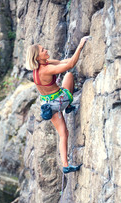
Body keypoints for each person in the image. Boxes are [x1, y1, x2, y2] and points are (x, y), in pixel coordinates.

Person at [26, 36, 88, 174]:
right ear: (37, 57)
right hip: (60, 101)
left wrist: (74, 57)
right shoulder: (45, 70)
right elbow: (69, 65)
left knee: (63, 134)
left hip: (48, 105)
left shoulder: (38, 68)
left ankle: (66, 165)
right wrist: (81, 46)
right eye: (43, 50)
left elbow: (61, 62)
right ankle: (69, 105)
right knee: (69, 76)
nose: (46, 50)